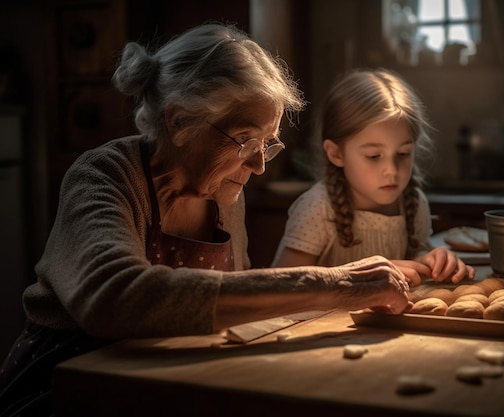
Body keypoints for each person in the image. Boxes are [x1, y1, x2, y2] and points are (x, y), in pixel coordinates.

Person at [0, 24, 422, 417]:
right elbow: (115, 298)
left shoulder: (221, 191)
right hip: (67, 390)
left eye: (268, 143)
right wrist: (334, 284)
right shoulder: (103, 175)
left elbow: (234, 301)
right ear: (179, 121)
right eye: (245, 141)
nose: (259, 166)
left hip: (168, 380)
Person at [272, 68, 475, 284]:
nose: (392, 170)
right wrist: (363, 277)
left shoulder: (413, 204)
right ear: (336, 153)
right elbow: (282, 286)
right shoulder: (319, 208)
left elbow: (412, 261)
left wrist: (430, 262)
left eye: (403, 154)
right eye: (373, 156)